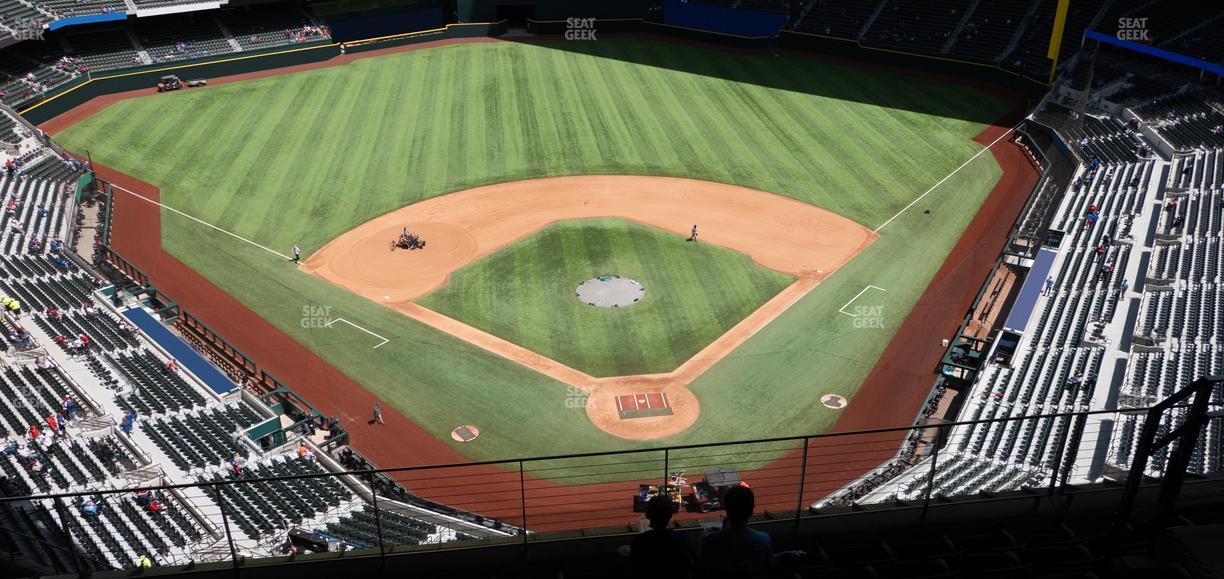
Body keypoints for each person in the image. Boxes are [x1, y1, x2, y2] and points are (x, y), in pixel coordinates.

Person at [696, 485, 772, 576]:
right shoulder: (764, 539)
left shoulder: (709, 541)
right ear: (751, 511)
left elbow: (699, 572)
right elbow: (769, 570)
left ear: (726, 508)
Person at [630, 495, 692, 578]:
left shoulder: (639, 541)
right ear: (670, 515)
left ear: (648, 515)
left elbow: (634, 569)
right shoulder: (682, 538)